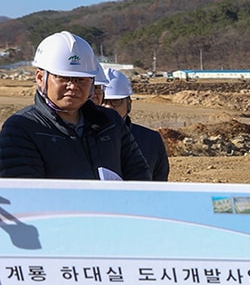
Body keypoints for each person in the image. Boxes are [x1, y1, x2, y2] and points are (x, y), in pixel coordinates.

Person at [0, 31, 151, 181]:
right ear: (40, 78)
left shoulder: (110, 122)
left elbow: (138, 176)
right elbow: (26, 193)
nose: (73, 86)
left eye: (81, 79)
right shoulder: (22, 128)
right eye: (64, 78)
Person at [101, 69, 171, 182]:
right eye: (102, 101)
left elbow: (159, 184)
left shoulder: (150, 140)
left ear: (129, 103)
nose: (108, 107)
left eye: (116, 101)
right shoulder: (80, 140)